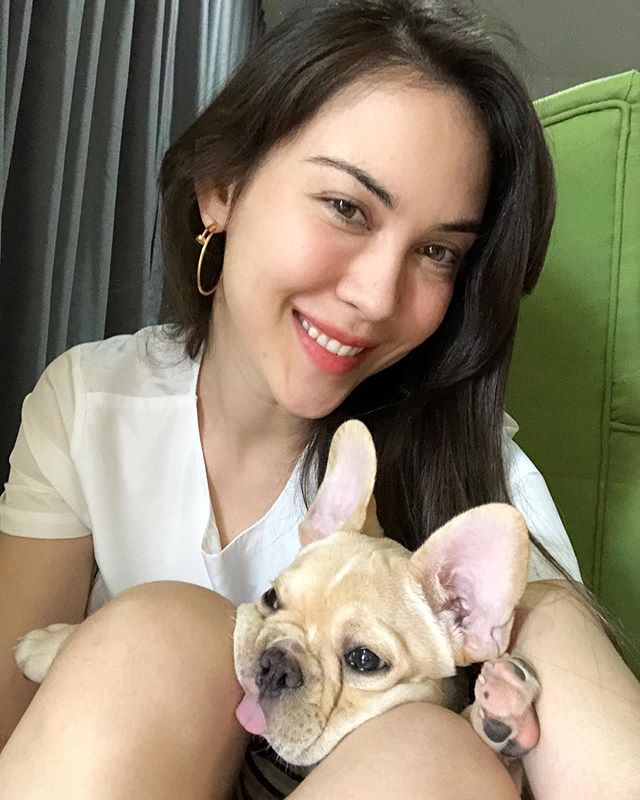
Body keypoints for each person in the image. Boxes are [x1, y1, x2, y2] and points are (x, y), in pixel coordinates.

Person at [0, 1, 639, 798]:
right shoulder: (90, 407)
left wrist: (519, 670)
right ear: (220, 187)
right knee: (157, 641)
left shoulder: (472, 474)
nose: (376, 294)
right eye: (346, 207)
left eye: (438, 252)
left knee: (428, 754)